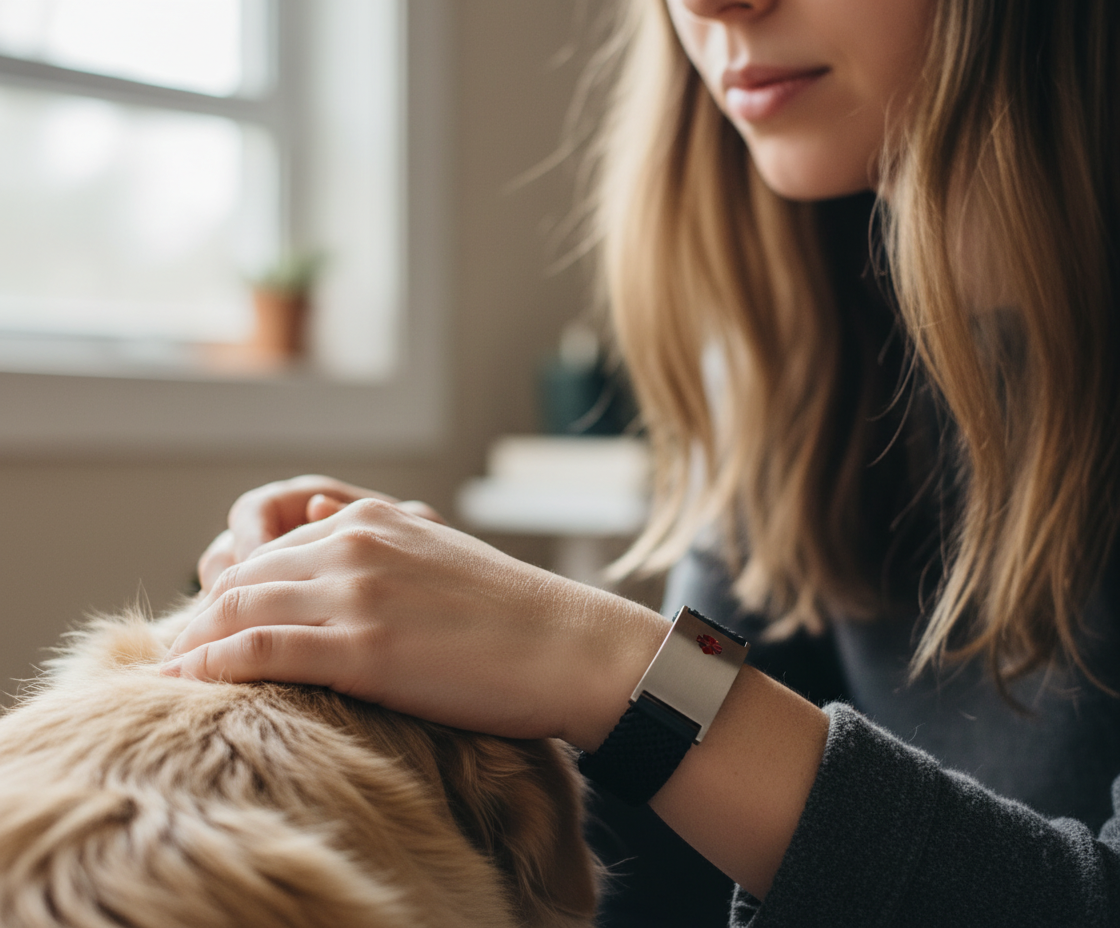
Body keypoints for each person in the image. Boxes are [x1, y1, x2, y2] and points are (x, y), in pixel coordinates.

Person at [162, 0, 1120, 925]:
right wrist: (459, 640)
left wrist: (588, 652)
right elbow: (683, 832)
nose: (708, 3)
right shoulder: (799, 336)